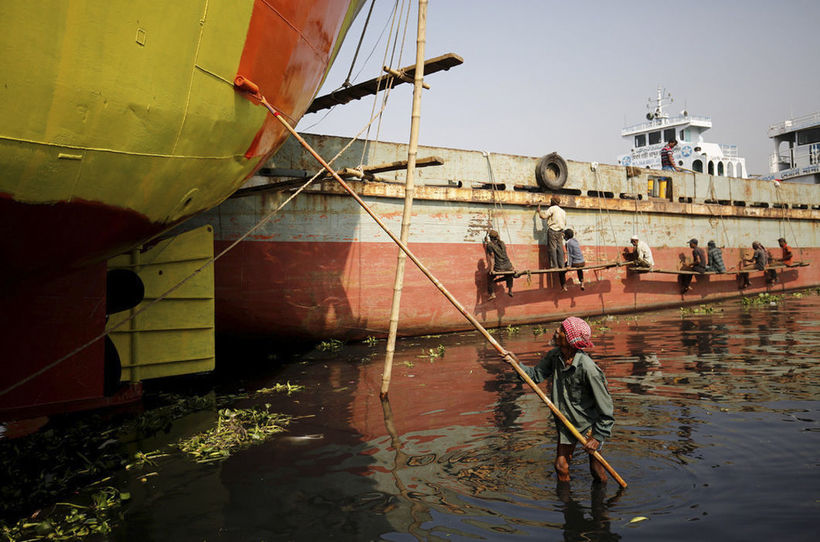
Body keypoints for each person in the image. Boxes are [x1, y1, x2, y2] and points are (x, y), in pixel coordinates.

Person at [513, 317, 614, 483]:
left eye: (560, 330)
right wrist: (516, 364)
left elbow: (606, 407)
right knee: (561, 466)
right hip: (567, 422)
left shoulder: (589, 369)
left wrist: (597, 437)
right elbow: (535, 376)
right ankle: (567, 505)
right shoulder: (555, 357)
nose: (556, 332)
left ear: (569, 339)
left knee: (596, 469)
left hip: (590, 426)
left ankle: (601, 503)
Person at [537, 197, 567, 271]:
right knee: (560, 248)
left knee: (552, 248)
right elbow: (565, 222)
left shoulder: (552, 209)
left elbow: (543, 216)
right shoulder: (563, 211)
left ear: (552, 202)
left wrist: (539, 211)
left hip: (552, 230)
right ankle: (562, 265)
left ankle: (554, 265)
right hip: (560, 231)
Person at [484, 230, 514, 299]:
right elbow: (496, 246)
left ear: (491, 238)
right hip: (508, 266)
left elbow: (492, 257)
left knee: (489, 277)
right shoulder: (502, 243)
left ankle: (492, 294)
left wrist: (491, 270)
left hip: (499, 267)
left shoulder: (489, 245)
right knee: (509, 275)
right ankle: (510, 290)